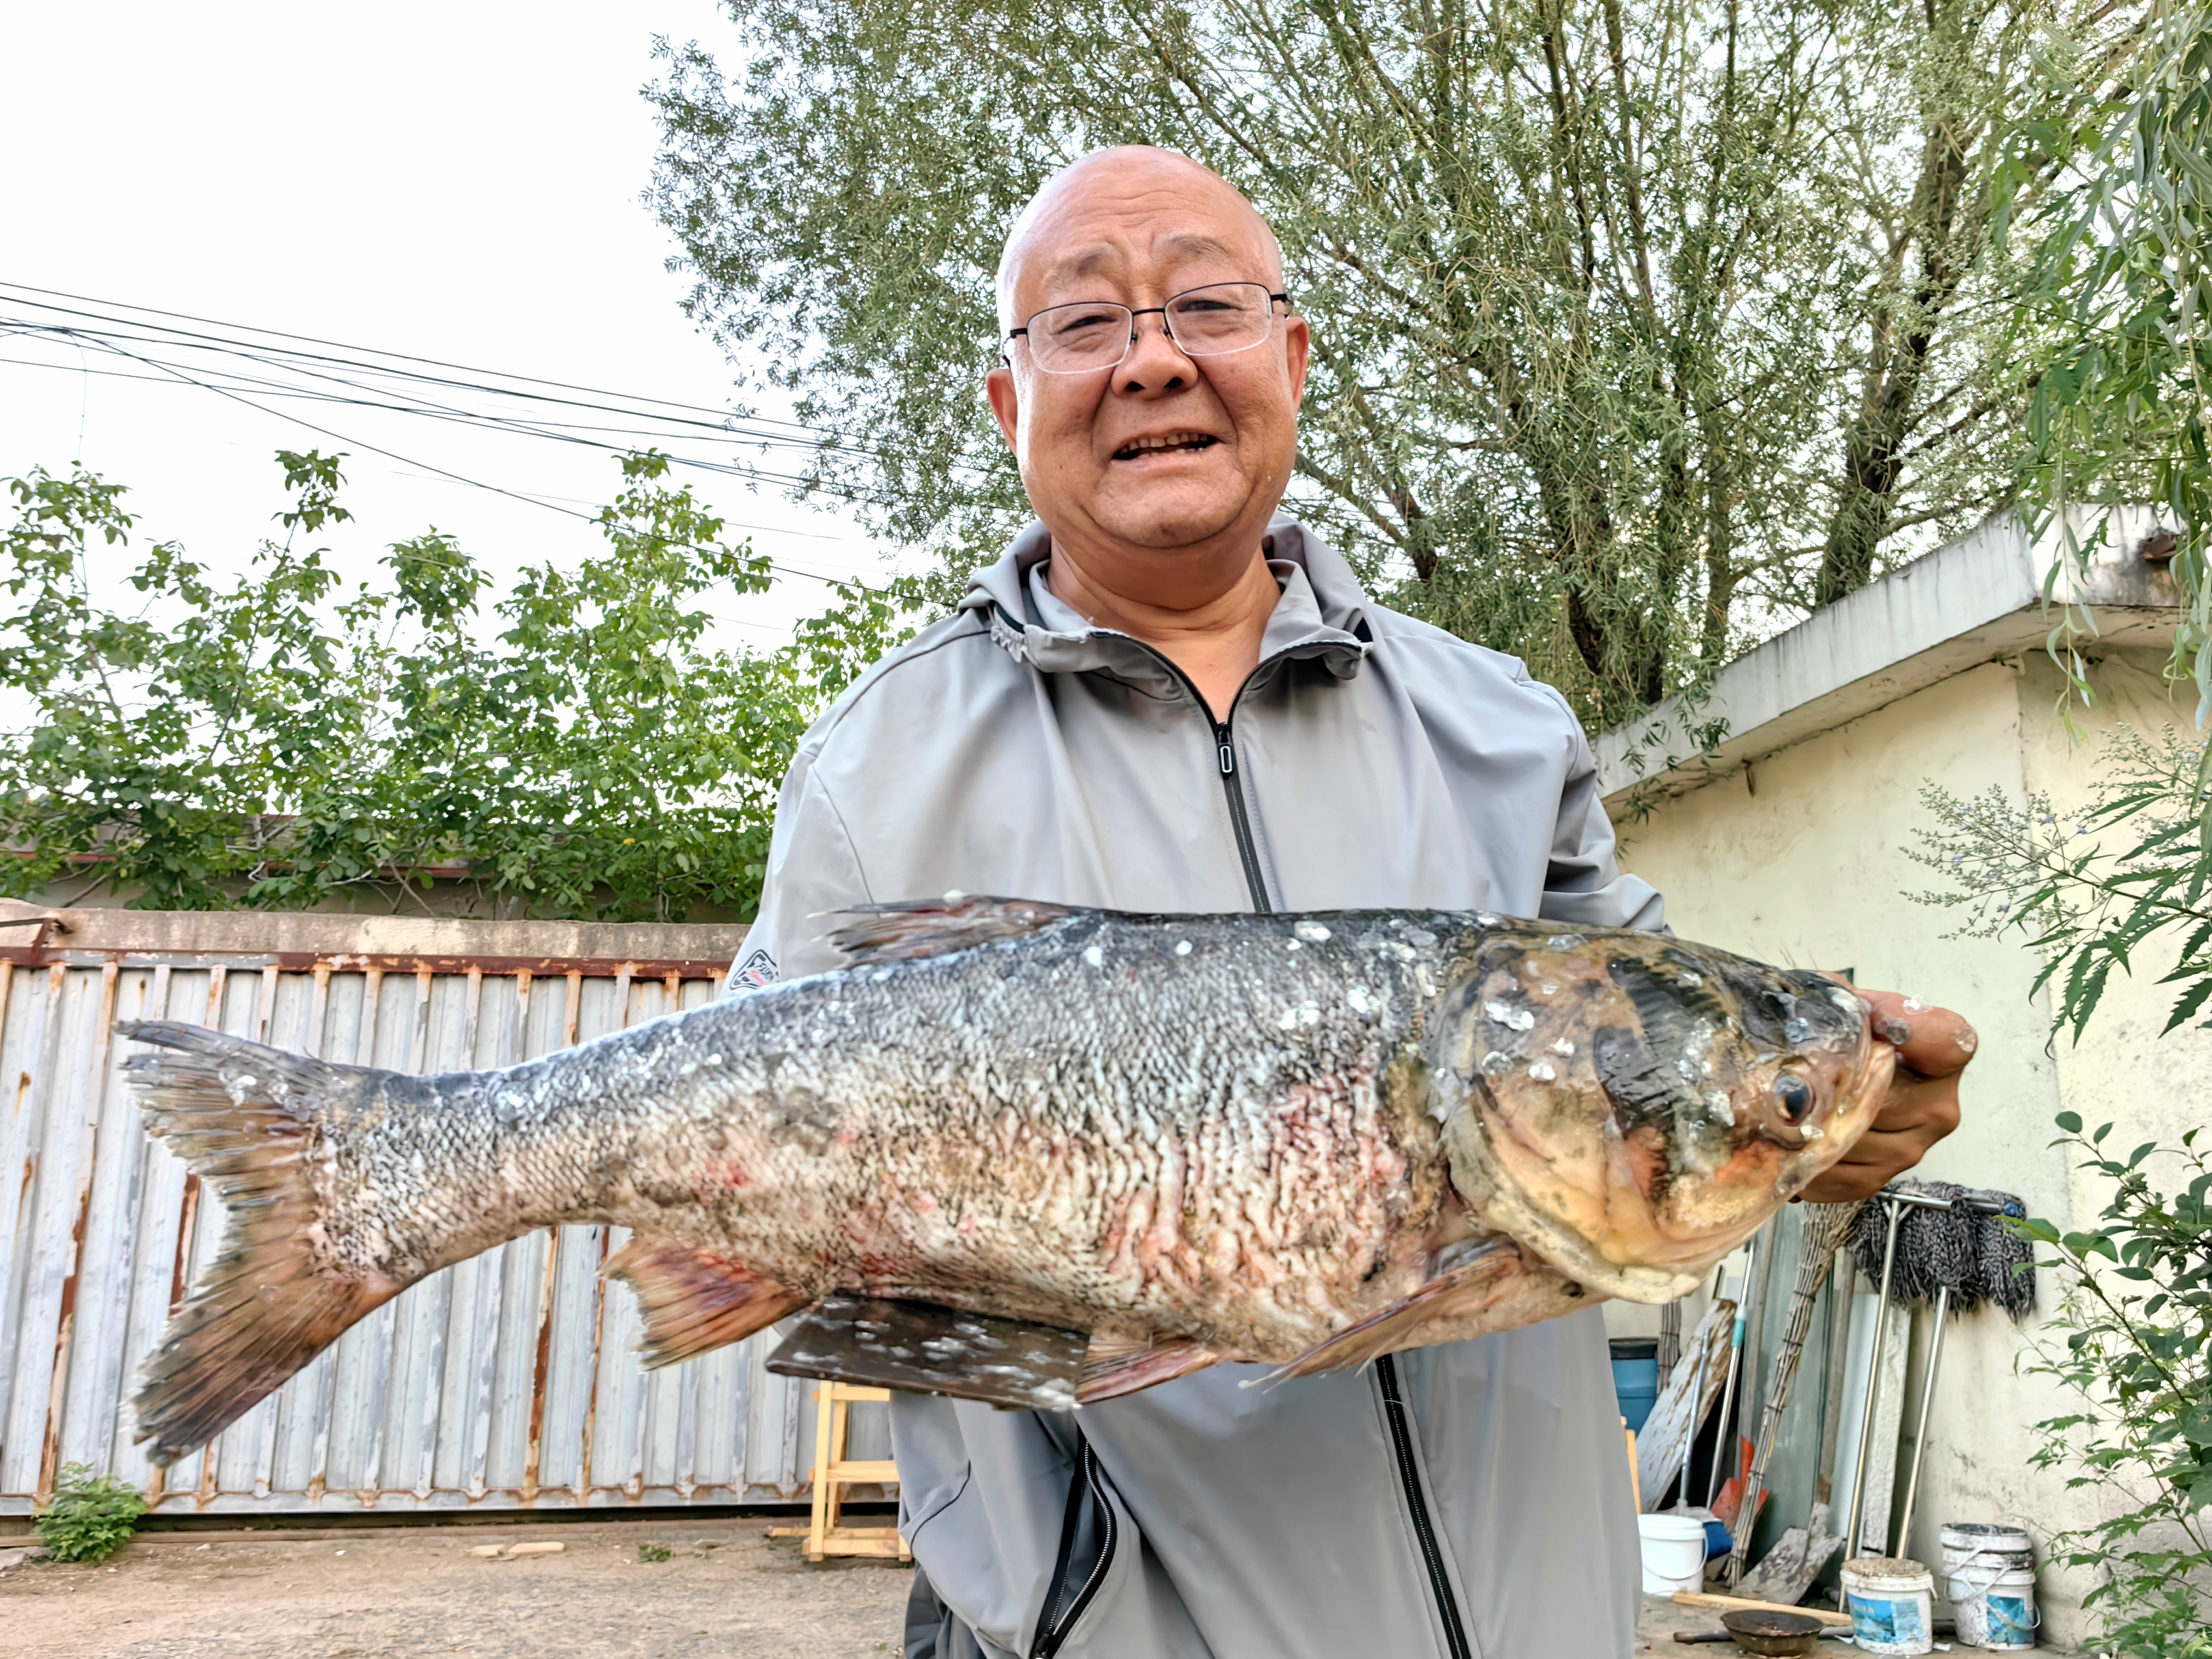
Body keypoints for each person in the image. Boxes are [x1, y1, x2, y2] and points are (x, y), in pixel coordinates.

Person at [734, 146, 1971, 1659]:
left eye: (1205, 303)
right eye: (1086, 322)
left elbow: (1651, 1089)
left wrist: (1830, 1137)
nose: (1155, 359)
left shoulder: (1503, 728)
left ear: (1293, 356)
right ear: (1011, 402)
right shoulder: (876, 766)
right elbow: (749, 1164)